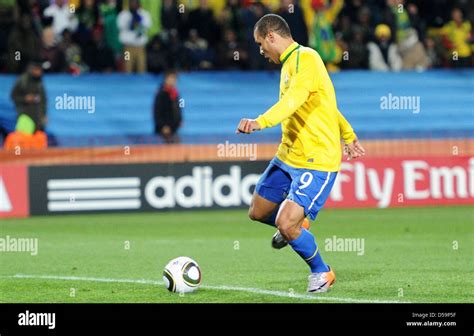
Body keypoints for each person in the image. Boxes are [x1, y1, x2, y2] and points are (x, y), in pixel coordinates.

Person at [236, 14, 365, 293]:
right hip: (288, 155)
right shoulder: (287, 66)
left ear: (272, 36)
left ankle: (322, 271)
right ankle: (294, 226)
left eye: (261, 44)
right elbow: (324, 104)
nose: (260, 51)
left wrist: (261, 121)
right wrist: (349, 133)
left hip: (317, 159)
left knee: (285, 222)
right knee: (258, 211)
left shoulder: (306, 58)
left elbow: (293, 102)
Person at [10, 61, 47, 133]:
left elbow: (43, 100)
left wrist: (44, 114)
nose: (39, 72)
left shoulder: (39, 82)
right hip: (24, 115)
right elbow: (13, 96)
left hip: (37, 116)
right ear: (31, 69)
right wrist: (25, 98)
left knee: (37, 139)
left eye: (40, 70)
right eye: (37, 70)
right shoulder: (22, 80)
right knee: (24, 137)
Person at [153, 70, 182, 143]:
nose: (173, 81)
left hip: (173, 128)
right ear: (166, 79)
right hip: (165, 129)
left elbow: (178, 108)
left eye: (175, 79)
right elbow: (157, 111)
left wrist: (180, 119)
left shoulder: (175, 92)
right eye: (171, 78)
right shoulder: (161, 93)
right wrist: (163, 126)